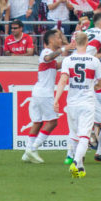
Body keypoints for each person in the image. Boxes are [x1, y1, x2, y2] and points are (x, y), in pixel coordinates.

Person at [54, 32, 101, 178]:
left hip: (72, 102)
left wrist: (56, 100)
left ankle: (80, 166)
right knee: (84, 135)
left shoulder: (68, 60)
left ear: (74, 42)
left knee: (73, 134)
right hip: (87, 101)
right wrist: (97, 86)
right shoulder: (93, 60)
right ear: (87, 43)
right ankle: (76, 161)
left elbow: (63, 81)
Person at [22, 29, 69, 163]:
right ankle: (34, 148)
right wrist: (64, 48)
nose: (60, 40)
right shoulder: (46, 52)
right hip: (44, 93)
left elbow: (56, 65)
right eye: (58, 38)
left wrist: (71, 58)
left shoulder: (49, 55)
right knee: (53, 121)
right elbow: (49, 58)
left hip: (38, 92)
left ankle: (27, 151)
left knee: (37, 122)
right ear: (51, 40)